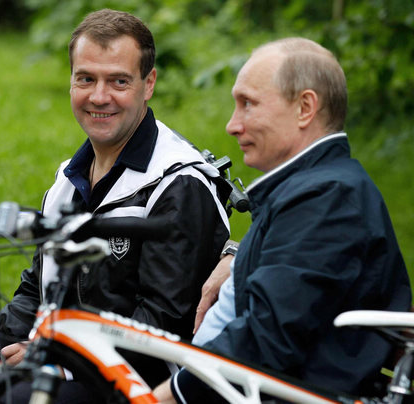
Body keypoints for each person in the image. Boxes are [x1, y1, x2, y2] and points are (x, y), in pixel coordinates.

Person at [0, 9, 231, 404]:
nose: (99, 96)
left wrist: (51, 360)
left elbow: (163, 325)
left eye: (118, 81)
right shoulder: (68, 179)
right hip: (61, 362)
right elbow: (36, 289)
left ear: (149, 84)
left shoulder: (178, 184)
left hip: (137, 384)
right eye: (86, 78)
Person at [154, 37, 412, 403]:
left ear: (305, 107)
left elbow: (266, 339)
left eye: (248, 104)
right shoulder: (315, 189)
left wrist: (168, 395)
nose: (231, 125)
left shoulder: (326, 199)